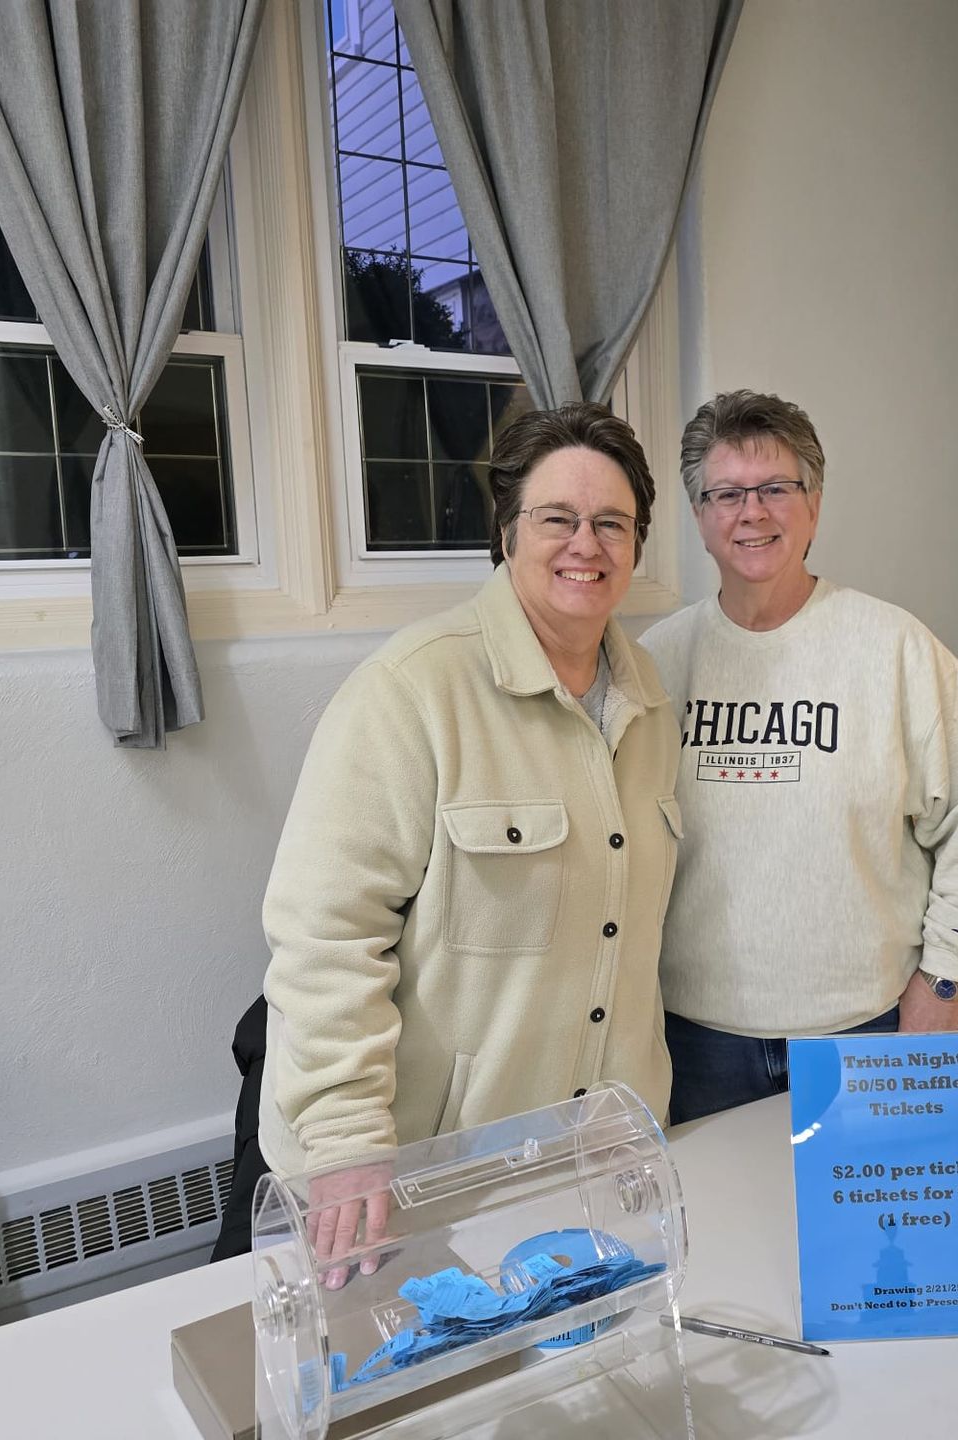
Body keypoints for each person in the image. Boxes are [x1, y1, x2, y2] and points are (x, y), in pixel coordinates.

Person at [257, 402, 683, 1285]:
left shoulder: (649, 699)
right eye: (557, 519)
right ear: (506, 531)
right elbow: (323, 932)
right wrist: (345, 1143)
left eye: (613, 523)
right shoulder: (412, 691)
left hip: (581, 1170)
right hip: (415, 1183)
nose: (587, 545)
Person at [642, 390, 958, 1125]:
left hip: (869, 1031)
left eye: (776, 489)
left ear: (814, 505)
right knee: (724, 1237)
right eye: (725, 494)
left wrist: (943, 987)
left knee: (870, 1243)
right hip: (694, 1042)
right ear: (699, 517)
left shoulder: (896, 650)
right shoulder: (659, 663)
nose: (751, 512)